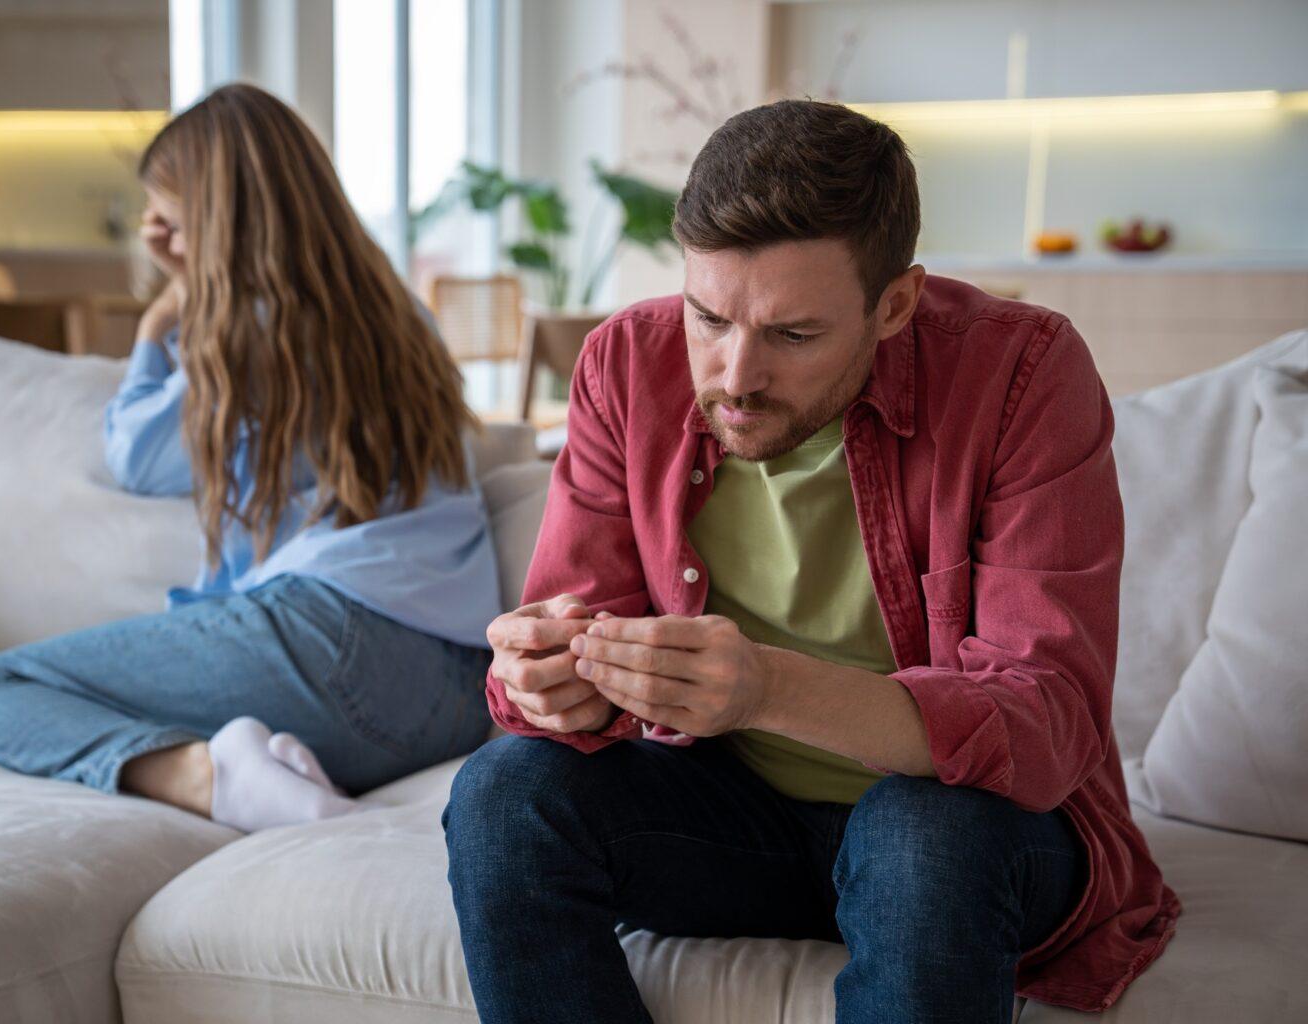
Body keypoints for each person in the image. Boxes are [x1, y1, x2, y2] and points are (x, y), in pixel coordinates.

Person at [441, 99, 1180, 1023]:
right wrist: (547, 679)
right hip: (735, 818)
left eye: (793, 336)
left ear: (896, 305)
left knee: (920, 834)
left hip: (964, 838)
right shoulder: (624, 364)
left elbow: (1047, 722)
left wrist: (766, 690)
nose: (736, 375)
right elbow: (564, 649)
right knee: (506, 797)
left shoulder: (1023, 373)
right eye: (708, 317)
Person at [0, 83, 500, 834]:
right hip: (455, 693)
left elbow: (136, 458)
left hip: (334, 644)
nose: (164, 238)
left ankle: (207, 776)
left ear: (215, 221)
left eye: (172, 219)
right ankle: (268, 770)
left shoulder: (252, 331)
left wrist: (161, 318)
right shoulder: (402, 315)